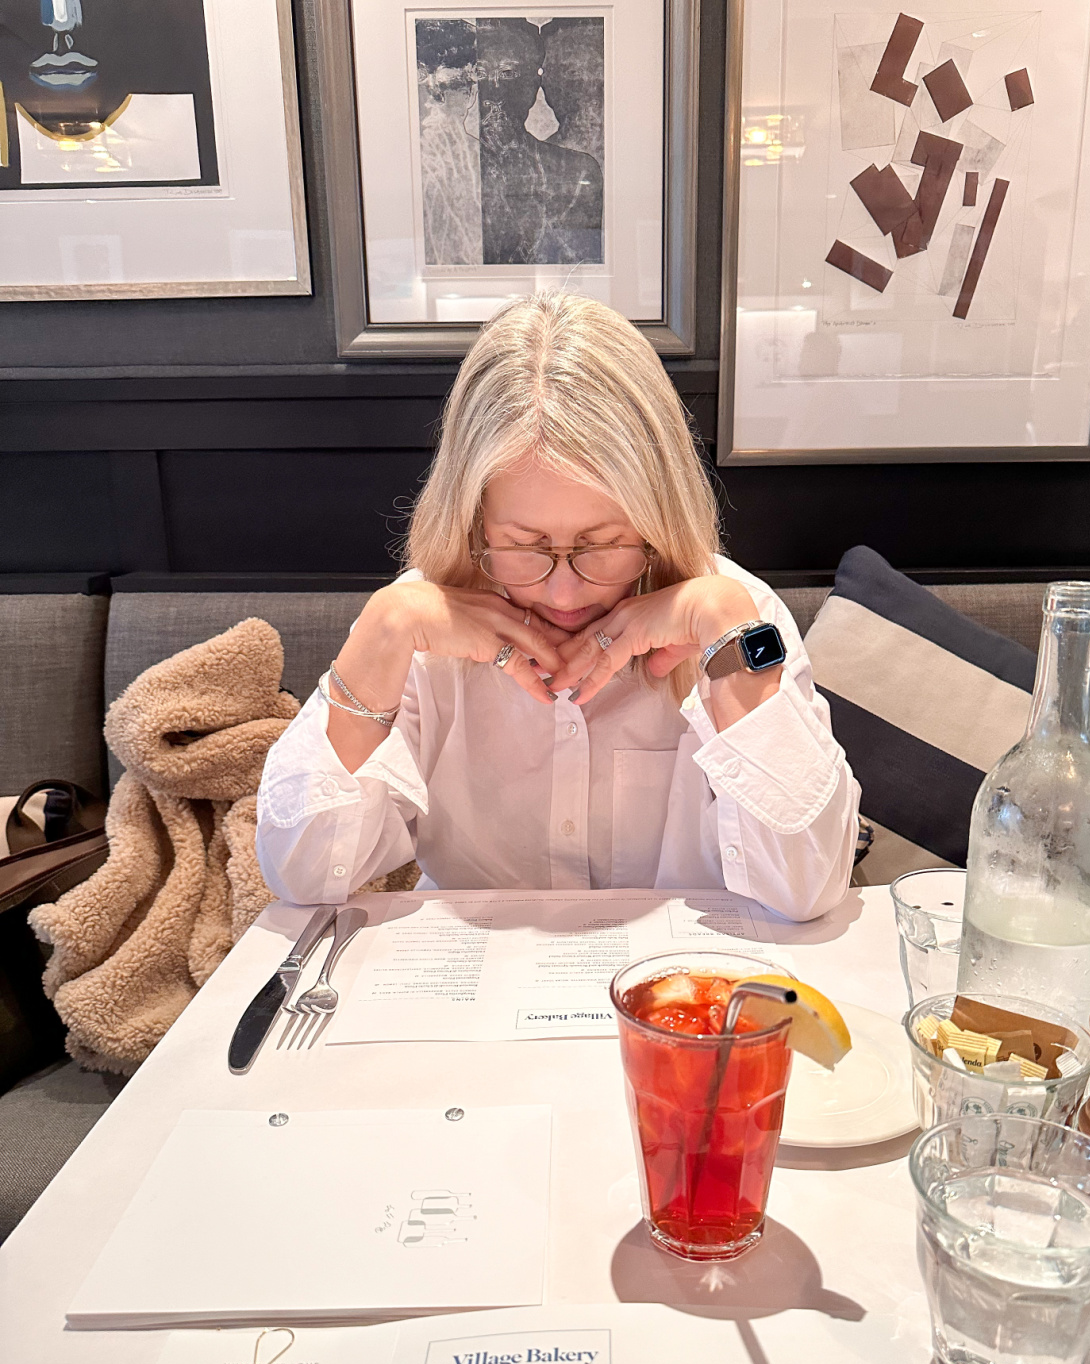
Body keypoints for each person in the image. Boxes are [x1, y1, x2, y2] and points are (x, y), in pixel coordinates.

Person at [256, 292, 860, 922]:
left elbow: (808, 888)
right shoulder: (416, 630)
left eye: (602, 545)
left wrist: (733, 642)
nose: (565, 593)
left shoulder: (734, 616)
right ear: (473, 521)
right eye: (525, 546)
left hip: (687, 977)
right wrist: (383, 629)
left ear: (657, 519)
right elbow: (300, 873)